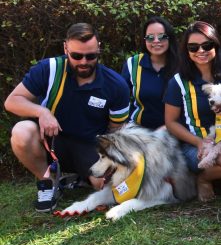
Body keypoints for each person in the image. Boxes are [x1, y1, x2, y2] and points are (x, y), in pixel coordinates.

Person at [5, 23, 130, 212]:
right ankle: (48, 183)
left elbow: (116, 130)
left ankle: (84, 179)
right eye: (76, 56)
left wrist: (112, 162)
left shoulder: (115, 85)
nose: (83, 62)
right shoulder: (49, 69)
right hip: (52, 142)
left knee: (113, 188)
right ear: (65, 48)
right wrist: (42, 112)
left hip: (89, 146)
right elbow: (12, 101)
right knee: (21, 132)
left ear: (99, 49)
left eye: (91, 56)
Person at [163, 21, 221, 201]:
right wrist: (199, 142)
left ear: (216, 46)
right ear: (186, 50)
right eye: (193, 47)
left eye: (206, 45)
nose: (201, 51)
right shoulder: (178, 82)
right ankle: (203, 178)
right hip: (195, 145)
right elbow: (171, 122)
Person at [121, 16, 179, 130]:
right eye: (150, 37)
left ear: (170, 38)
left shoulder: (182, 65)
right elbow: (120, 98)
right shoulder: (133, 64)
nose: (156, 41)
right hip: (137, 130)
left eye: (162, 36)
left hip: (173, 131)